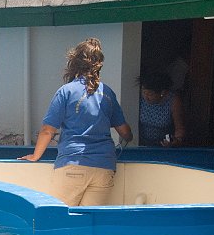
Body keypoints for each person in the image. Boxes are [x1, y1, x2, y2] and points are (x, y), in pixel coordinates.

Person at [18, 38, 133, 207]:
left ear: (74, 63)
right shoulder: (108, 93)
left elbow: (47, 131)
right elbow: (125, 132)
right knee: (88, 224)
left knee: (59, 221)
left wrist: (36, 156)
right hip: (104, 167)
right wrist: (128, 137)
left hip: (73, 165)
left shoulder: (66, 92)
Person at [137, 70, 187, 147]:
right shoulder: (137, 97)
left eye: (150, 94)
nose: (145, 97)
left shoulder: (173, 101)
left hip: (163, 145)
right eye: (143, 92)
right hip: (140, 143)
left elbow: (179, 128)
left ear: (162, 93)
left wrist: (176, 140)